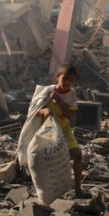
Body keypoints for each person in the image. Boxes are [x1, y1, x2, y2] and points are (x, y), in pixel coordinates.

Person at [37, 63, 85, 196]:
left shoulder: (71, 93)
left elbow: (70, 115)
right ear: (58, 77)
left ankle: (78, 190)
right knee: (47, 161)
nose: (67, 82)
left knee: (77, 154)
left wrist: (58, 99)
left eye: (71, 80)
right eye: (65, 79)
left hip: (64, 130)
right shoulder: (47, 91)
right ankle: (46, 190)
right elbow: (35, 111)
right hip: (48, 131)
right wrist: (45, 111)